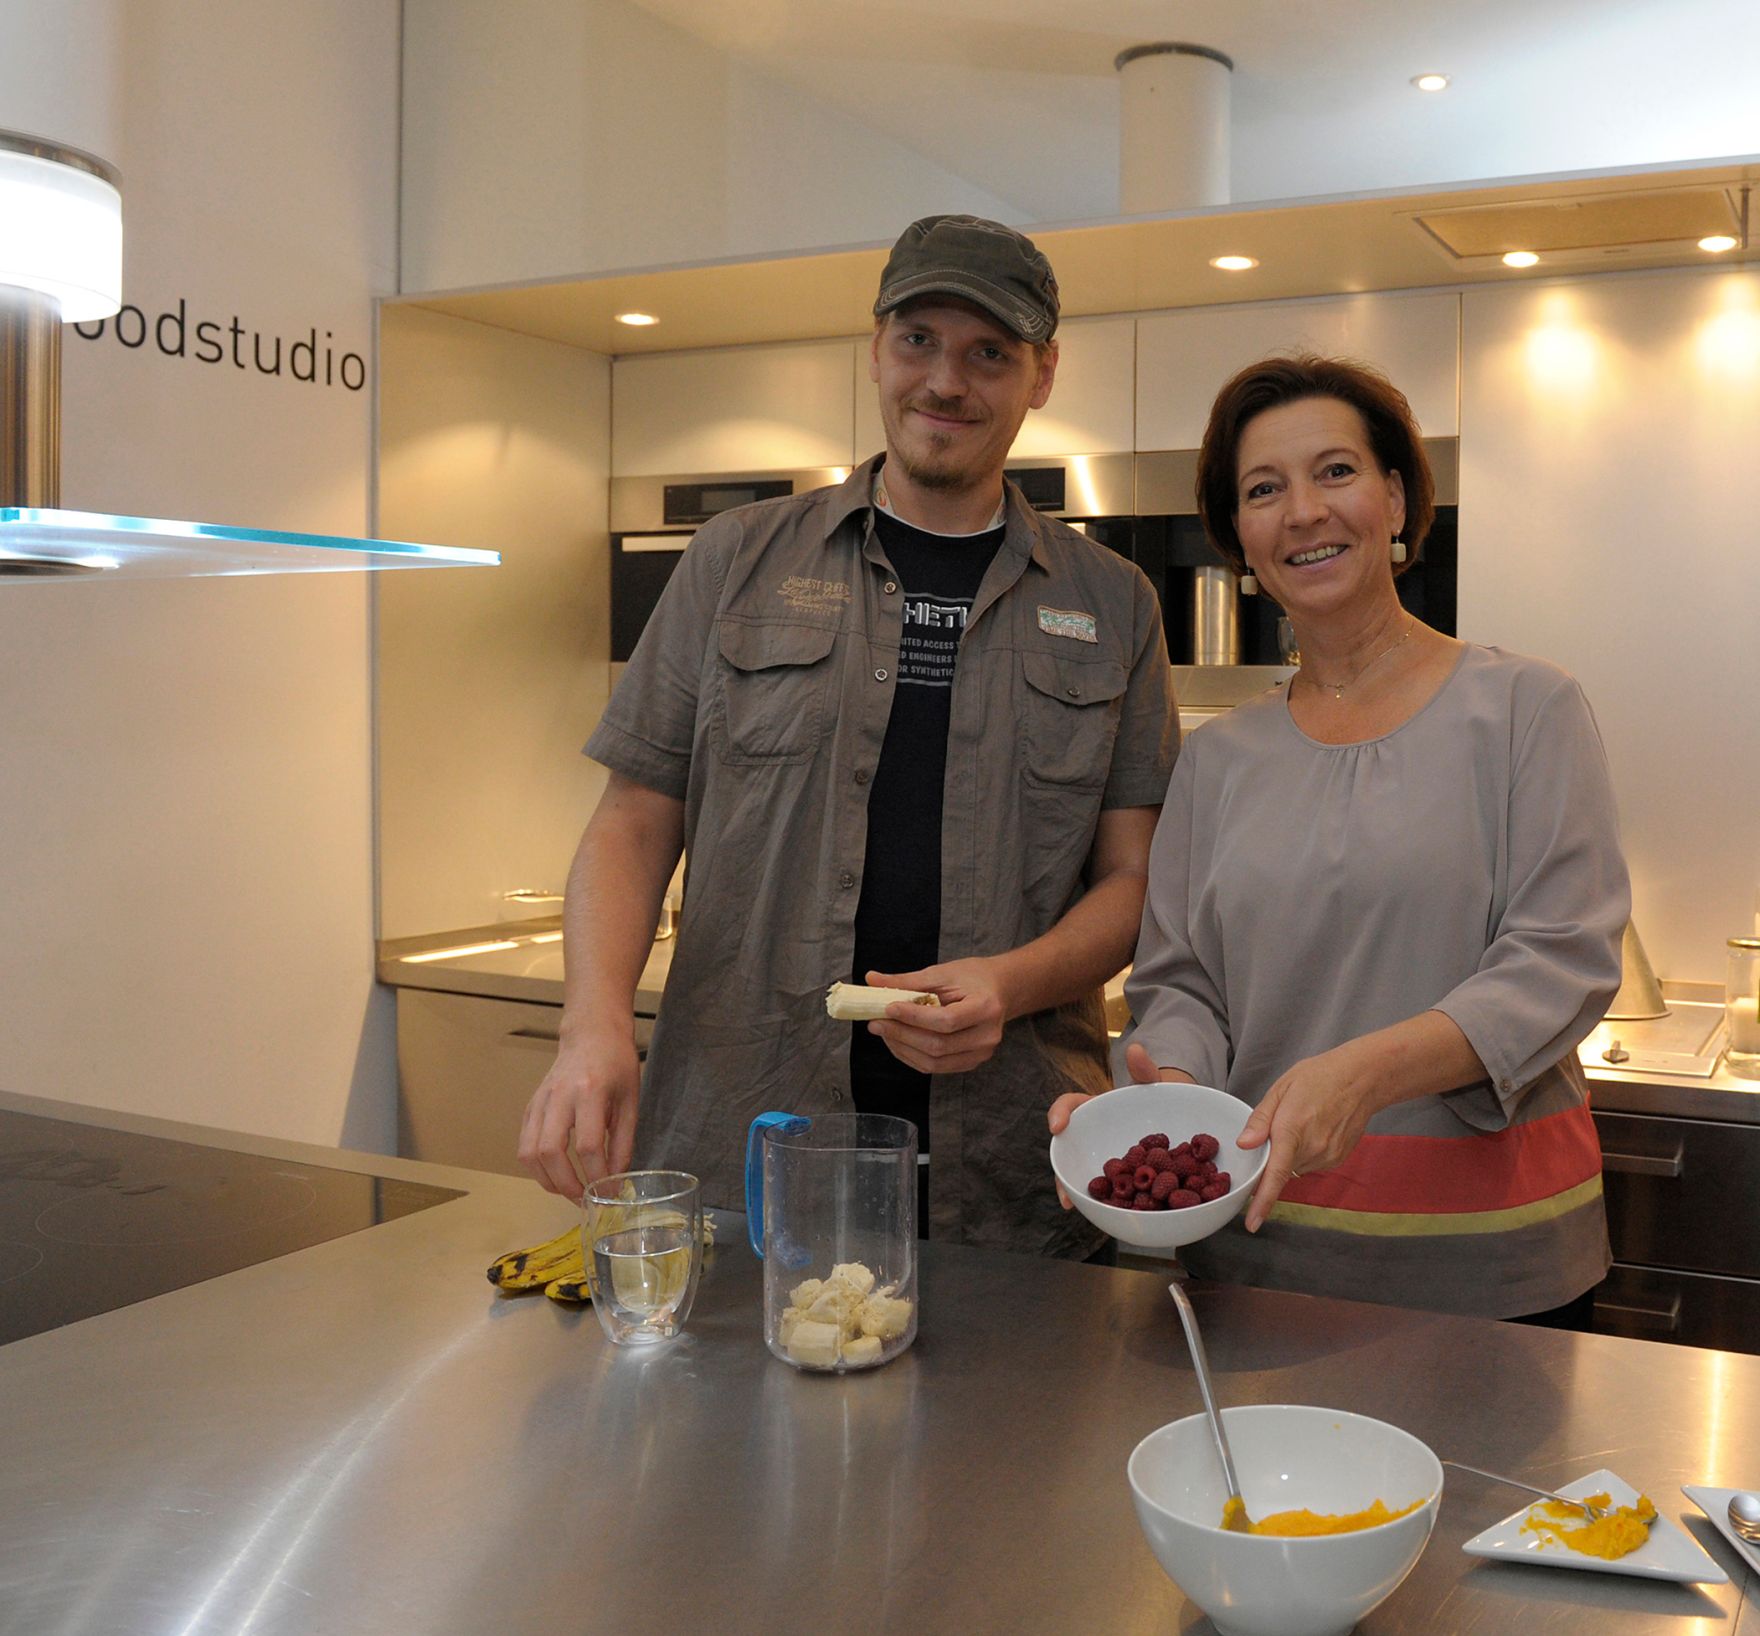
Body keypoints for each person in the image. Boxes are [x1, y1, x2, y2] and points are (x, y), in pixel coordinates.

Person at [520, 214, 1178, 1256]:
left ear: (1041, 374)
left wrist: (1010, 983)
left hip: (1008, 1163)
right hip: (751, 1131)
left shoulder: (1113, 603)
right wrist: (591, 1027)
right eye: (918, 339)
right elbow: (635, 818)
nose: (945, 382)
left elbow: (1133, 883)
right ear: (875, 347)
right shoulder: (736, 559)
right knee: (731, 1418)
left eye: (988, 354)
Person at [1050, 353, 1629, 1323]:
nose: (1303, 511)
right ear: (1239, 536)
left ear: (1395, 498)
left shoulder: (1526, 707)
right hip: (1262, 1255)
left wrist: (1359, 1073)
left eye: (1335, 471)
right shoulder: (1219, 758)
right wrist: (1161, 1101)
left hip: (1492, 1264)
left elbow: (1558, 959)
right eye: (1262, 490)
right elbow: (1180, 986)